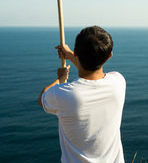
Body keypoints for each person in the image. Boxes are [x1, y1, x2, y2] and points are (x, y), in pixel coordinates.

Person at [38, 26, 126, 163]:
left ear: (77, 53)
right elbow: (93, 71)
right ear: (109, 56)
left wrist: (60, 79)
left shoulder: (64, 95)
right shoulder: (119, 82)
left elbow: (43, 98)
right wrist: (70, 55)